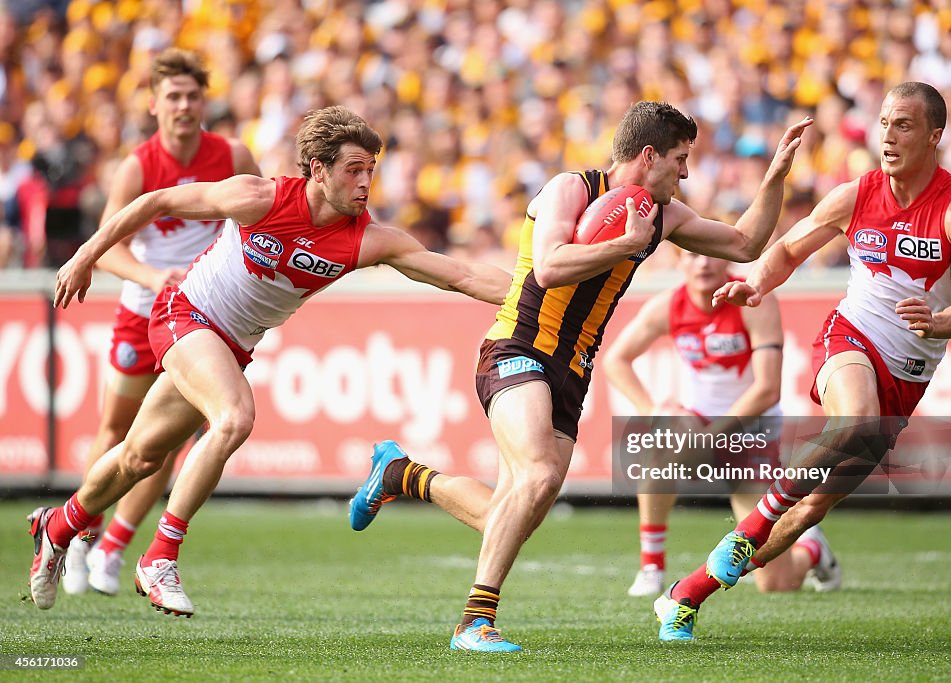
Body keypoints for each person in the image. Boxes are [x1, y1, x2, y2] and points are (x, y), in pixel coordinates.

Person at [348, 101, 814, 652]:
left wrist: (775, 177)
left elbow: (744, 244)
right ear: (649, 155)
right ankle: (474, 622)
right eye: (680, 160)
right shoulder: (571, 189)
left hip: (573, 371)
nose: (686, 173)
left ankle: (402, 473)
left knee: (513, 510)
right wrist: (625, 244)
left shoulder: (665, 214)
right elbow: (548, 267)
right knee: (540, 474)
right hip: (516, 347)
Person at [27, 105, 511, 616]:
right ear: (318, 169)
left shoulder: (367, 240)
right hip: (184, 313)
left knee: (139, 458)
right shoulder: (258, 197)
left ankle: (55, 527)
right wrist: (84, 256)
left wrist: (543, 288)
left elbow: (461, 275)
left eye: (371, 170)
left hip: (231, 346)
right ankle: (160, 555)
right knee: (235, 417)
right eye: (354, 169)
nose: (366, 182)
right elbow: (157, 200)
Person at [654, 82, 951, 641]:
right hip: (851, 337)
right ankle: (749, 530)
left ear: (935, 136)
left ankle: (686, 594)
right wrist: (754, 284)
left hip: (909, 377)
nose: (888, 134)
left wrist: (939, 320)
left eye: (903, 124)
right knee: (853, 420)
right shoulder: (854, 195)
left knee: (809, 512)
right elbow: (787, 248)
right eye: (883, 121)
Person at [61, 48, 261, 598]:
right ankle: (80, 536)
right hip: (142, 310)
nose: (184, 105)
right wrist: (156, 279)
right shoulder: (139, 166)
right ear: (154, 105)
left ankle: (114, 548)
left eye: (193, 95)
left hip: (205, 317)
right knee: (116, 431)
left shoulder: (233, 153)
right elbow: (107, 249)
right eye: (173, 96)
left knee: (173, 441)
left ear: (205, 101)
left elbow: (265, 221)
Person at [602, 251, 839, 598]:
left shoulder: (753, 300)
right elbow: (615, 360)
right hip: (696, 423)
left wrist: (711, 436)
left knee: (775, 583)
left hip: (750, 431)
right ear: (678, 261)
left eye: (712, 256)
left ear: (727, 261)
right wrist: (651, 409)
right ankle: (651, 566)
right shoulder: (667, 305)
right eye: (692, 255)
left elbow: (767, 389)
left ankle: (813, 549)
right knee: (664, 430)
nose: (702, 264)